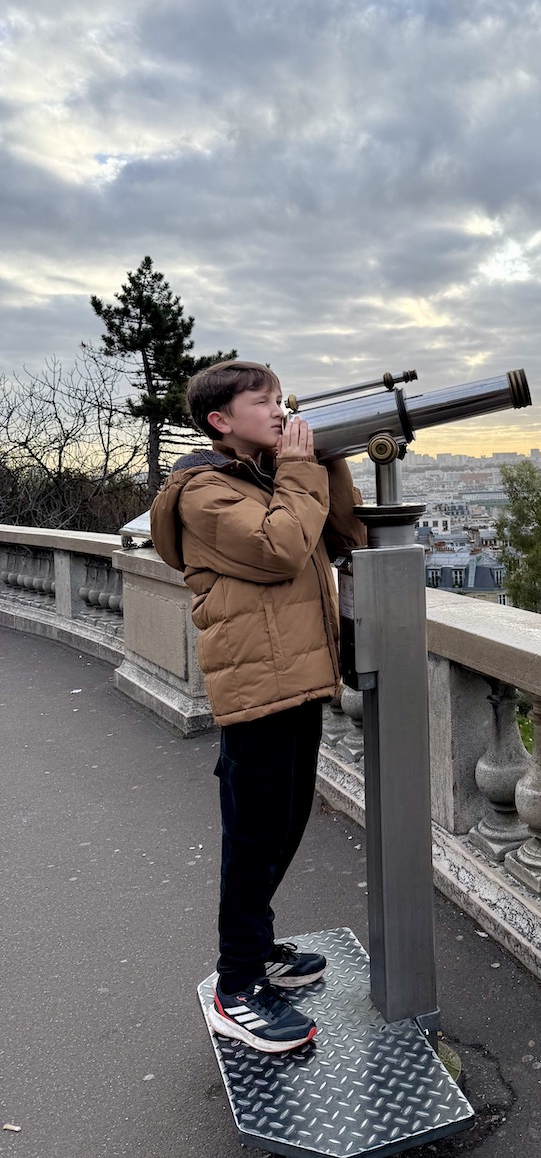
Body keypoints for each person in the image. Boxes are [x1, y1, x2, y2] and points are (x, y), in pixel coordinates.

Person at [150, 359, 366, 1053]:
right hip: (256, 686)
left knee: (284, 820)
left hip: (294, 676)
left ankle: (256, 941)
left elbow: (345, 537)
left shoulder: (268, 479)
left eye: (282, 400)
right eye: (264, 401)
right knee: (253, 836)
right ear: (220, 419)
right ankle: (235, 984)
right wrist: (301, 470)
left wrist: (325, 463)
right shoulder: (202, 492)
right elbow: (280, 549)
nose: (281, 410)